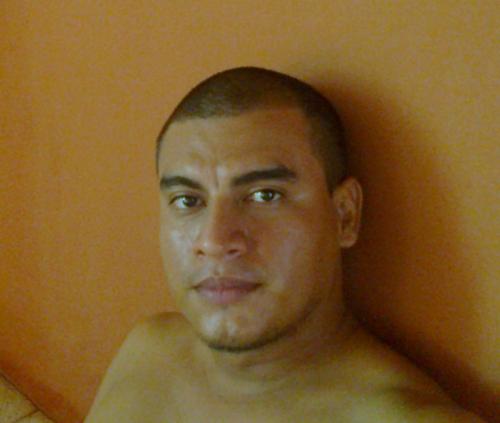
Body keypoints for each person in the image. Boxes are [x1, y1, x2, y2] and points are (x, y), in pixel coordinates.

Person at [85, 67, 483, 422]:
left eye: (265, 195)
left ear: (344, 216)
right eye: (188, 201)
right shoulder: (148, 350)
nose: (214, 240)